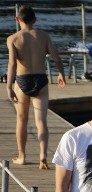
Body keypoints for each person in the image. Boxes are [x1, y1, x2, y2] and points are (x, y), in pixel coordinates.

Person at [6, 5, 66, 169]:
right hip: (41, 79)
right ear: (34, 19)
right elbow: (56, 57)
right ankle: (43, 156)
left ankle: (22, 156)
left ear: (17, 19)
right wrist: (61, 74)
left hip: (22, 80)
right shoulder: (44, 36)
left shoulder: (13, 39)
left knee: (22, 120)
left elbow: (12, 64)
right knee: (41, 121)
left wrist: (9, 87)